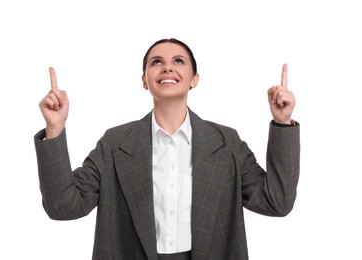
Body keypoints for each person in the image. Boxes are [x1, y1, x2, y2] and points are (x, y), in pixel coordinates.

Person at [34, 38, 300, 260]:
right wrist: (55, 128)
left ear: (194, 79)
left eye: (178, 61)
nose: (167, 68)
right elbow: (63, 207)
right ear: (144, 80)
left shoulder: (225, 142)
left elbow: (276, 202)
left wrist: (282, 122)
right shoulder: (115, 143)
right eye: (156, 62)